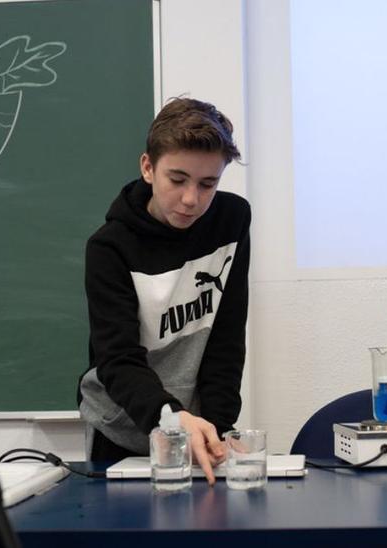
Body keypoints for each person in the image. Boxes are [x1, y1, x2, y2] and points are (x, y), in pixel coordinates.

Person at [77, 98, 250, 485]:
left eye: (208, 184)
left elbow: (226, 340)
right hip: (123, 426)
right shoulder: (109, 247)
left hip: (197, 424)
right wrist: (172, 420)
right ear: (148, 168)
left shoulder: (232, 221)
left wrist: (216, 427)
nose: (191, 199)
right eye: (177, 180)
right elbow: (118, 361)